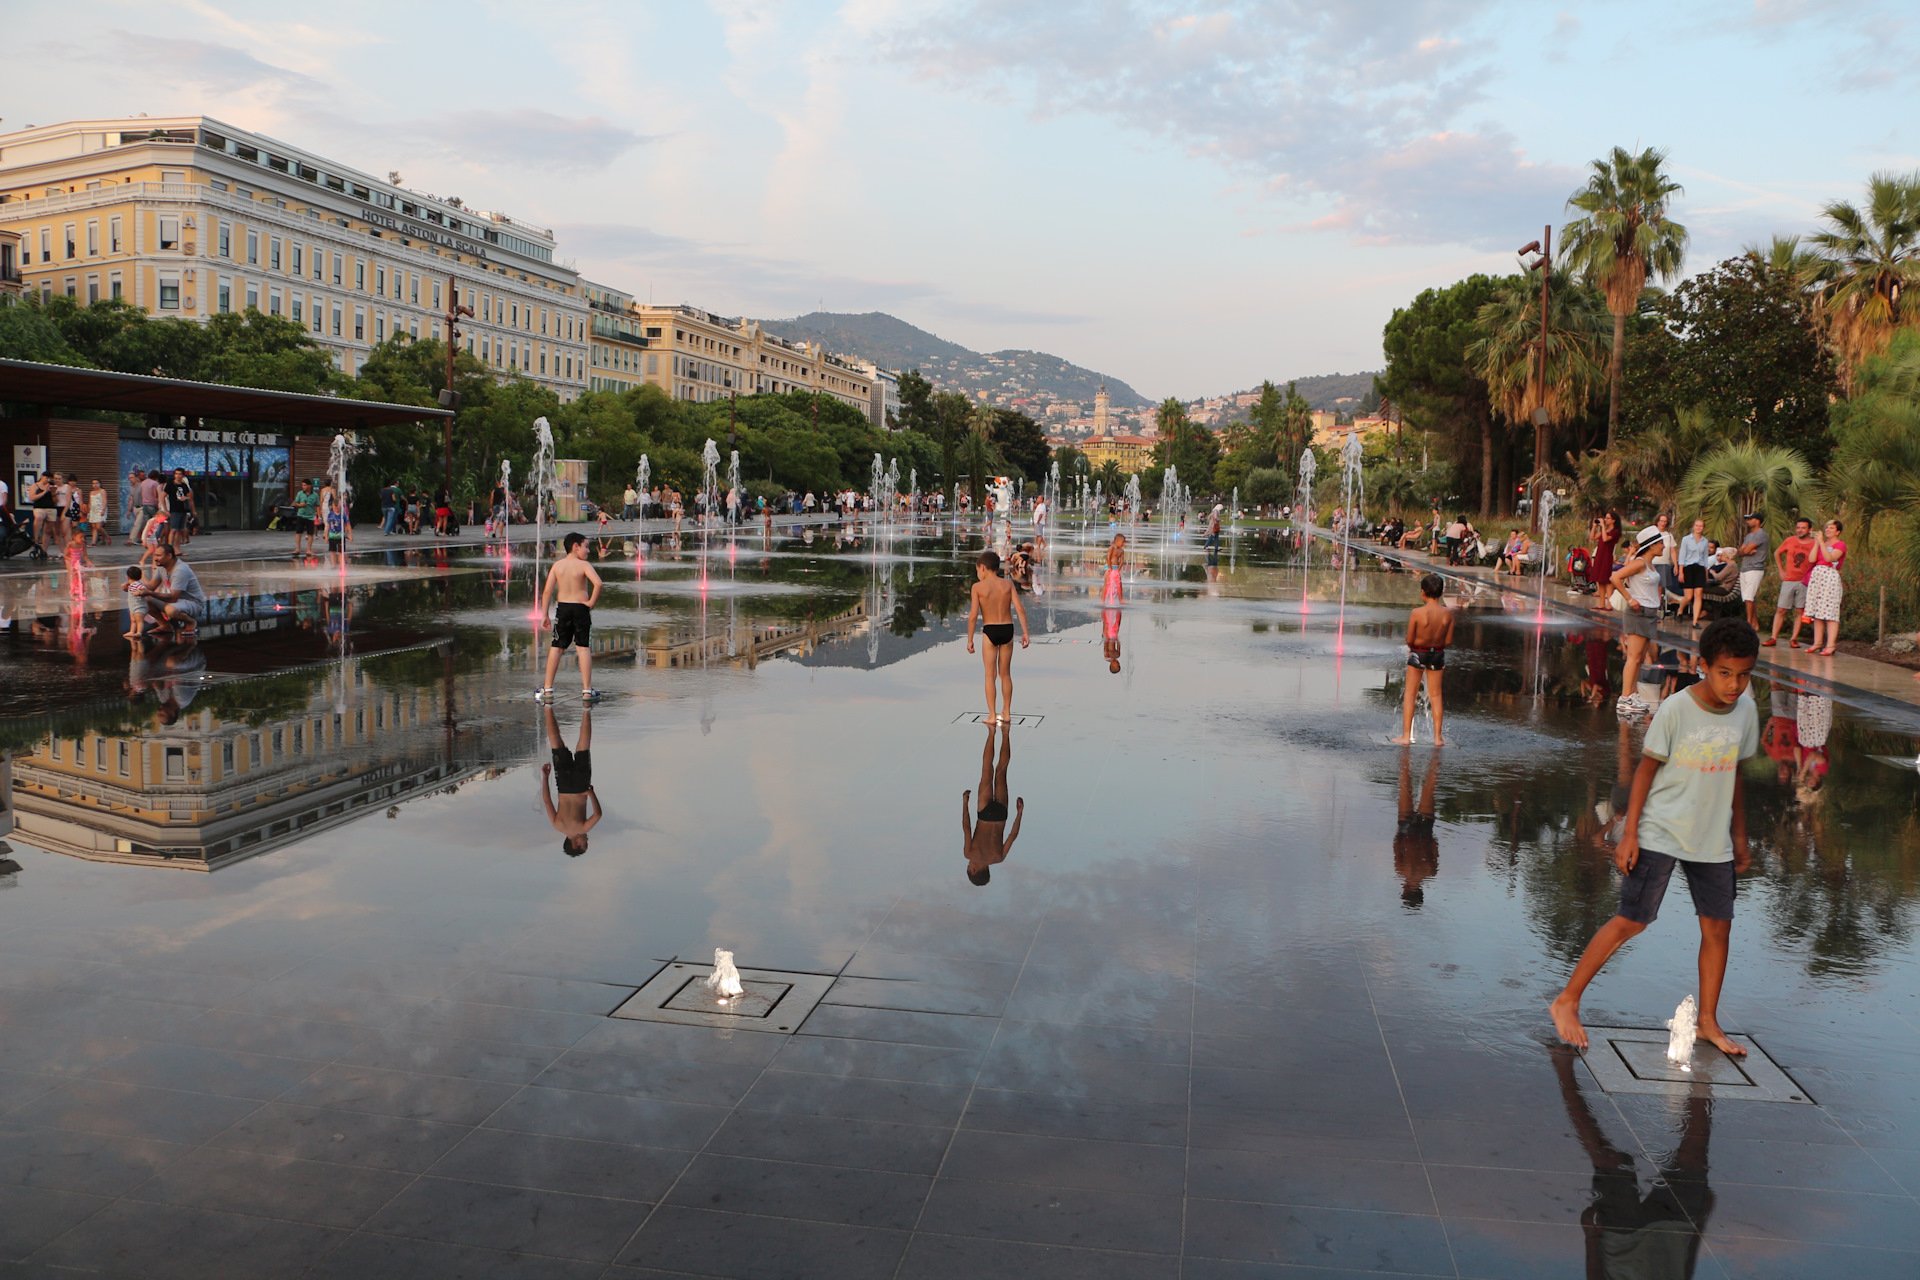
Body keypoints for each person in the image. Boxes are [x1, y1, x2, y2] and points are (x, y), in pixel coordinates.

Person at [1549, 616, 1760, 1057]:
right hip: (1661, 831)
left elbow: (1737, 773)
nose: (1735, 684)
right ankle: (1567, 999)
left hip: (1712, 838)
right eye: (1725, 673)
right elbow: (1646, 771)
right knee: (1633, 919)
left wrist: (1740, 835)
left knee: (1718, 929)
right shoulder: (1677, 708)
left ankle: (1707, 1022)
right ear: (1703, 666)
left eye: (1744, 674)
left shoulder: (1746, 710)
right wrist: (1629, 834)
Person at [537, 531, 604, 701]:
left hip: (563, 609)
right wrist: (591, 603)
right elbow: (598, 583)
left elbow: (546, 592)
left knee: (557, 647)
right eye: (586, 547)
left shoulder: (557, 566)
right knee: (583, 647)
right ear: (575, 547)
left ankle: (547, 688)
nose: (588, 551)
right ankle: (587, 691)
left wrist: (544, 614)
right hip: (581, 608)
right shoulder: (584, 565)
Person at [966, 549, 1030, 726]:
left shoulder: (978, 588)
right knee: (1005, 674)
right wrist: (1026, 633)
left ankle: (992, 715)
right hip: (1007, 629)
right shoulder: (1008, 584)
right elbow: (1020, 609)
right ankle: (1007, 712)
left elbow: (973, 616)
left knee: (989, 675)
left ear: (984, 568)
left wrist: (970, 640)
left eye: (977, 570)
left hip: (990, 630)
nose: (978, 573)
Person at [1611, 526, 1667, 719]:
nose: (1663, 546)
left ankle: (1632, 694)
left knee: (1640, 658)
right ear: (1651, 546)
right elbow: (1615, 577)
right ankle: (1625, 698)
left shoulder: (1650, 565)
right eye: (1660, 543)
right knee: (1634, 657)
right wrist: (1629, 599)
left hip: (1649, 613)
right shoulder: (1640, 563)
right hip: (1638, 613)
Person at [1392, 573, 1455, 745]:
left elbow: (1410, 639)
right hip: (1438, 653)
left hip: (1418, 653)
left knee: (1411, 694)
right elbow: (1449, 640)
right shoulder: (1448, 614)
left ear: (1423, 592)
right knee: (1436, 695)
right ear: (1441, 593)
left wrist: (1414, 645)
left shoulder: (1417, 613)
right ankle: (1437, 738)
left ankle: (1406, 736)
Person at [961, 719, 1023, 886]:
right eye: (969, 867)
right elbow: (967, 828)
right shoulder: (969, 853)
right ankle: (991, 732)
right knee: (986, 769)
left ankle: (1005, 733)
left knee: (1001, 772)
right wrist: (965, 803)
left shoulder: (999, 857)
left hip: (1001, 814)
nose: (969, 864)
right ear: (974, 870)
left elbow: (1013, 835)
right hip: (984, 813)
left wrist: (1019, 813)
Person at [540, 704, 602, 857]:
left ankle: (586, 708)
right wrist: (545, 777)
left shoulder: (582, 828)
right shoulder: (557, 825)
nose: (587, 840)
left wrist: (591, 793)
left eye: (584, 844)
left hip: (581, 787)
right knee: (556, 744)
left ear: (575, 844)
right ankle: (547, 708)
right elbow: (547, 801)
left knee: (583, 746)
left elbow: (598, 815)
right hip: (564, 785)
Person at [1393, 748, 1441, 907]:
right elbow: (1396, 845)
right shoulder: (1401, 870)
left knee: (1430, 785)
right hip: (1405, 828)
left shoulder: (1430, 872)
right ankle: (1406, 752)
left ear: (1420, 891)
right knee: (1405, 781)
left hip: (1426, 830)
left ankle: (1436, 754)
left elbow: (1435, 846)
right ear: (1406, 890)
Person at [1765, 516, 1817, 649]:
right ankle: (1773, 637)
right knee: (1781, 608)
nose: (1800, 530)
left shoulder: (1814, 543)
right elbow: (1777, 553)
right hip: (1789, 579)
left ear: (1809, 529)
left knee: (1799, 610)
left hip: (1804, 581)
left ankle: (1794, 638)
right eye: (1798, 527)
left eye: (1803, 528)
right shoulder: (1790, 540)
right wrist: (1781, 570)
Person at [1803, 518, 1846, 656]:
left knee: (1830, 612)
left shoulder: (1840, 545)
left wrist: (1821, 542)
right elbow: (1811, 559)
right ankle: (1817, 642)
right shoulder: (1822, 543)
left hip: (1830, 577)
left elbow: (1830, 558)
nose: (1828, 530)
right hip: (1817, 576)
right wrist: (1817, 543)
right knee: (1817, 612)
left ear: (1838, 531)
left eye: (1831, 528)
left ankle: (1831, 645)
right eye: (1827, 527)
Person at [143, 542, 206, 635]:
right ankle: (165, 626)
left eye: (158, 555)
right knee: (143, 599)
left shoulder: (180, 570)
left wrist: (150, 593)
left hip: (193, 603)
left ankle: (191, 622)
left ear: (169, 556)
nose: (155, 559)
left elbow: (173, 598)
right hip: (177, 601)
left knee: (170, 610)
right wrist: (133, 585)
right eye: (154, 555)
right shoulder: (162, 567)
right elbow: (151, 586)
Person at [1735, 512, 1769, 628]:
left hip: (1755, 568)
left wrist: (1746, 551)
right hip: (1745, 568)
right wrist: (1747, 552)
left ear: (1757, 521)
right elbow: (1740, 552)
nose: (1748, 521)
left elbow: (1746, 550)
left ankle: (1748, 624)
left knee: (1749, 596)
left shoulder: (1761, 534)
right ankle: (1755, 624)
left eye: (1750, 519)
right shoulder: (1748, 536)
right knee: (1748, 597)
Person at [1677, 518, 1711, 626]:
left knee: (1698, 594)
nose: (1698, 528)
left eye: (1701, 526)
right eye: (1697, 525)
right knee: (1688, 596)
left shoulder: (1705, 541)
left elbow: (1705, 558)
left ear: (1703, 528)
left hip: (1700, 568)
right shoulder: (1686, 539)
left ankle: (1695, 621)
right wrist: (1681, 571)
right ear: (1693, 526)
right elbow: (1682, 556)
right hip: (1688, 568)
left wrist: (1706, 573)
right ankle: (1680, 610)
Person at [164, 467, 196, 551]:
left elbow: (190, 497)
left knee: (179, 530)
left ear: (183, 475)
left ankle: (177, 548)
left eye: (180, 474)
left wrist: (186, 500)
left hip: (183, 509)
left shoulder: (184, 485)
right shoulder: (170, 484)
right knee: (173, 529)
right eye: (176, 474)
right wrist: (165, 509)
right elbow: (162, 496)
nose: (178, 476)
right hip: (174, 509)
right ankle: (169, 549)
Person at [121, 566, 151, 640]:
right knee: (133, 620)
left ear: (127, 576)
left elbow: (144, 589)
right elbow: (125, 589)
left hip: (139, 606)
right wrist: (125, 585)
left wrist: (139, 592)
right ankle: (132, 631)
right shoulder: (131, 584)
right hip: (133, 606)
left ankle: (139, 632)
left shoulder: (138, 584)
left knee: (139, 621)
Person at [1103, 533, 1126, 606]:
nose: (1123, 544)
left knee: (1119, 584)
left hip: (1116, 569)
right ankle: (1103, 600)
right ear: (1117, 541)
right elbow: (1108, 557)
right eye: (1122, 542)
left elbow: (1122, 561)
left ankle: (1121, 599)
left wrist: (1119, 570)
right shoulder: (1112, 548)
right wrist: (1109, 568)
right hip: (1109, 567)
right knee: (1107, 584)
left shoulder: (1121, 551)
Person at [86, 479, 108, 546]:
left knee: (98, 526)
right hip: (93, 511)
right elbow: (90, 503)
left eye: (96, 483)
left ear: (100, 483)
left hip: (100, 510)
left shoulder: (102, 491)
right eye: (93, 483)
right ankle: (93, 542)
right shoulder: (91, 492)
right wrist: (88, 512)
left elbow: (104, 501)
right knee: (94, 527)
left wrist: (103, 510)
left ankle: (106, 536)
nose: (95, 485)